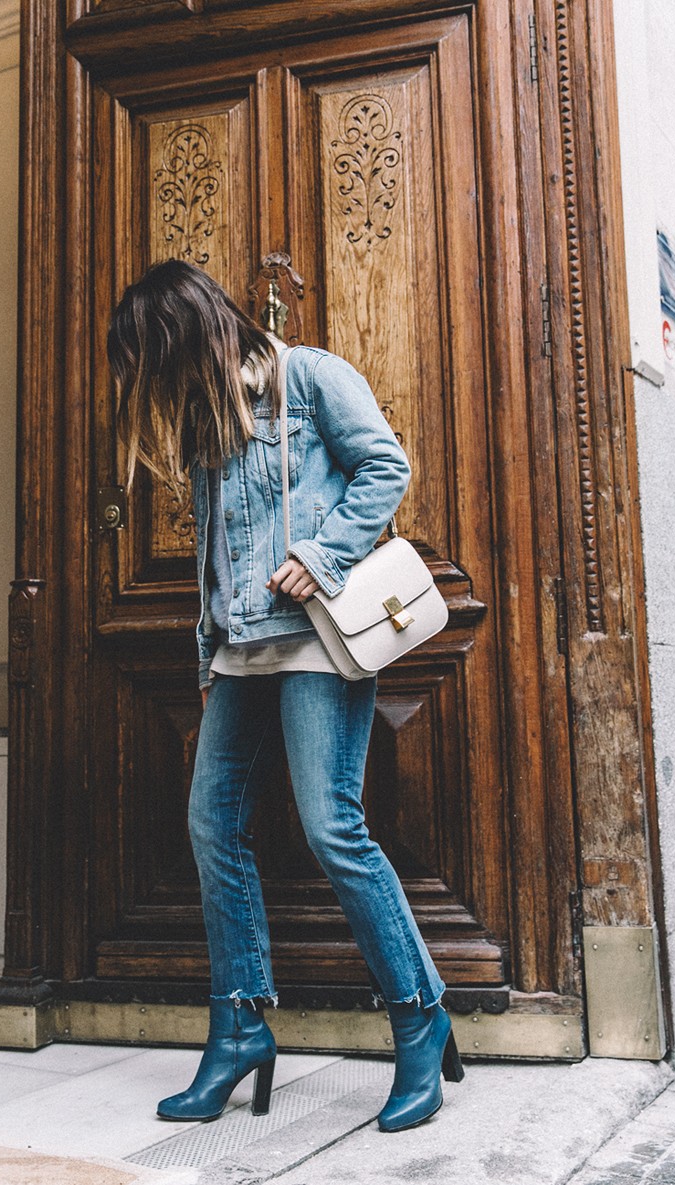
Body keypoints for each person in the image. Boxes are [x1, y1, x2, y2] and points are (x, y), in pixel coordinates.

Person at [106, 258, 464, 1134]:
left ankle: (420, 1018)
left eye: (155, 360)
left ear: (190, 336)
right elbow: (215, 558)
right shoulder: (206, 422)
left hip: (318, 642)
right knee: (210, 823)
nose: (154, 384)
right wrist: (206, 654)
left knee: (333, 827)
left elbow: (387, 465)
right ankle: (239, 1029)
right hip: (237, 656)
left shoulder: (309, 378)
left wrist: (327, 552)